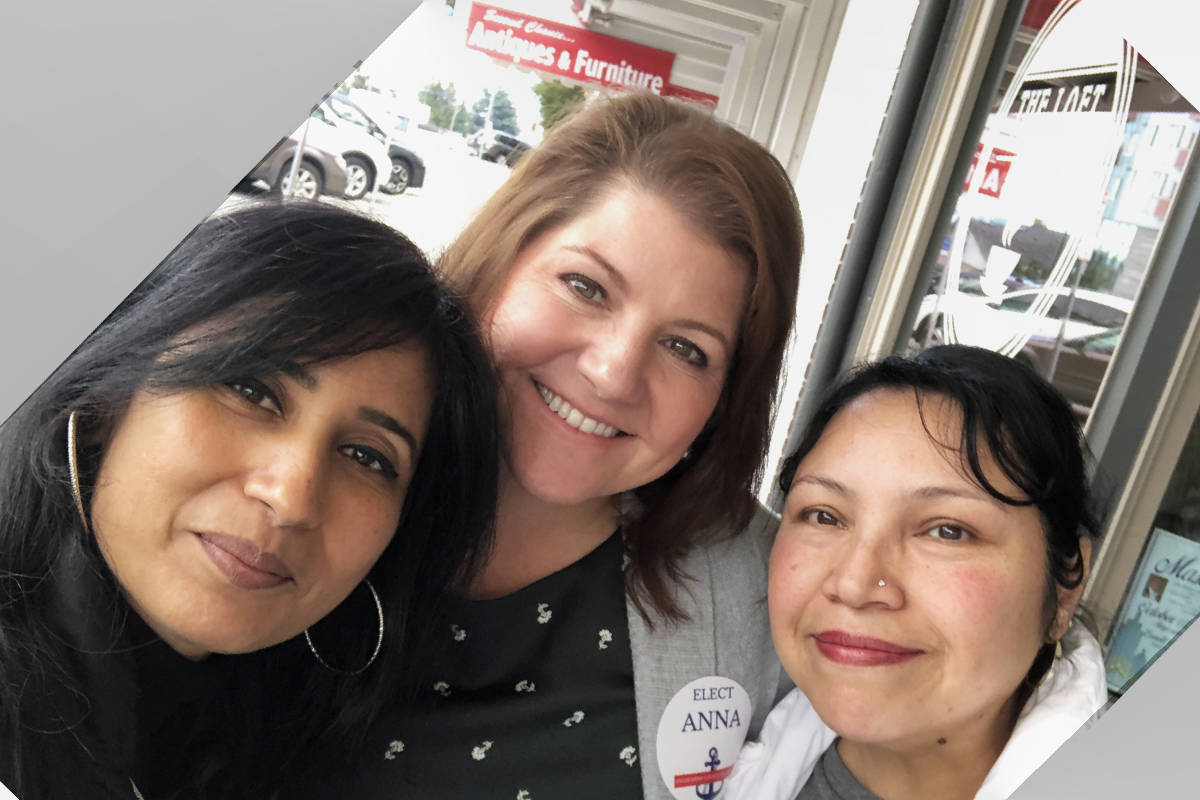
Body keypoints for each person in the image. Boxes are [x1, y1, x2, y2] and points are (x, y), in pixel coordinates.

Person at [335, 91, 803, 800]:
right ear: (501, 258)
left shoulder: (773, 596)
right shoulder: (315, 459)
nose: (614, 372)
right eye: (586, 287)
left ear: (726, 400)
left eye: (685, 347)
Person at [0, 202, 500, 799]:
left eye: (368, 457)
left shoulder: (313, 749)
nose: (291, 497)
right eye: (251, 390)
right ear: (111, 395)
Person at [727, 345, 1108, 800]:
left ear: (1066, 588)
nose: (853, 584)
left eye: (948, 531)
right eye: (824, 516)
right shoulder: (706, 734)